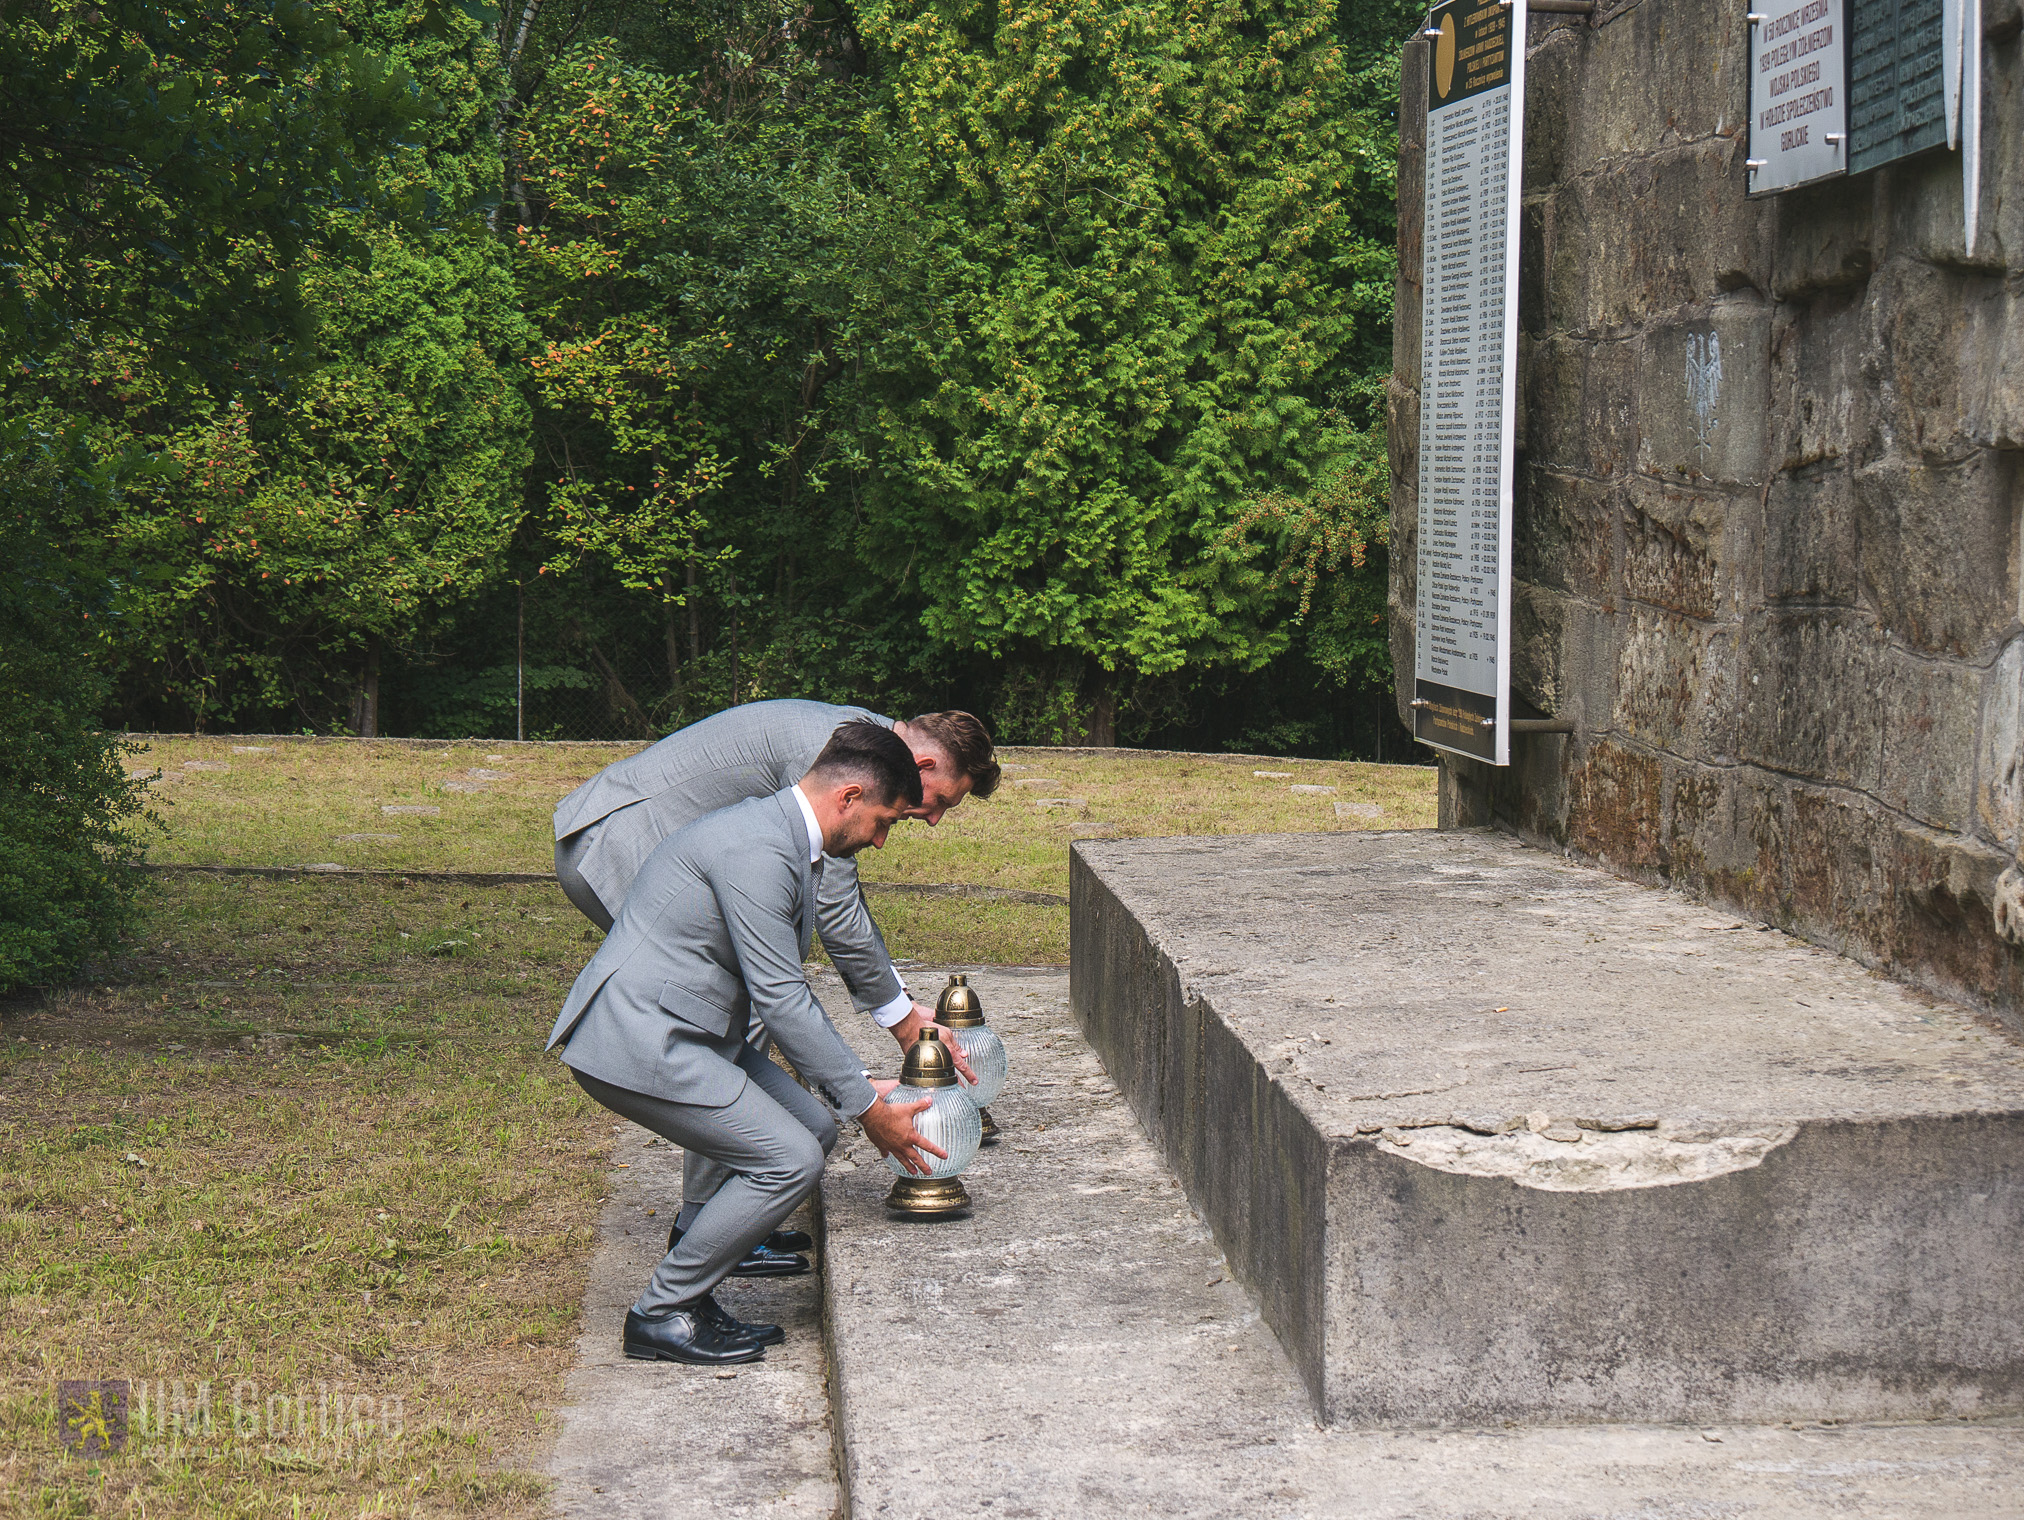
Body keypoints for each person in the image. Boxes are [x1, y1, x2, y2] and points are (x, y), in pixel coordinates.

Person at [546, 721, 949, 1365]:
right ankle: (662, 1313)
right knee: (790, 1159)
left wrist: (849, 1090)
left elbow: (785, 995)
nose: (880, 839)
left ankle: (695, 1291)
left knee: (811, 1127)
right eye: (885, 821)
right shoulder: (760, 848)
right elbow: (781, 996)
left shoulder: (784, 838)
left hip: (694, 1033)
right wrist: (869, 1109)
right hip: (642, 1040)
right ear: (847, 797)